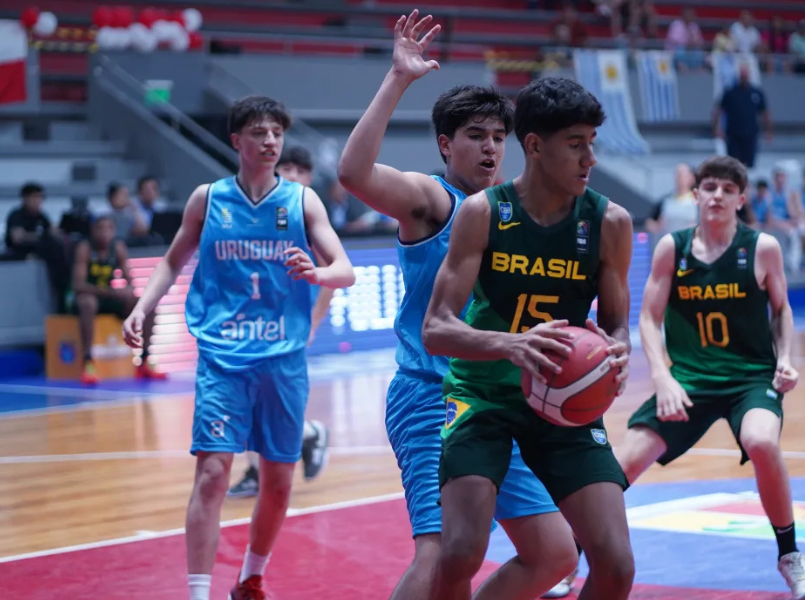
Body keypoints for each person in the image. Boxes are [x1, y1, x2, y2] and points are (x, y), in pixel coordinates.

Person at [337, 12, 579, 600]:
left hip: (496, 404)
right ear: (447, 145)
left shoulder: (512, 214)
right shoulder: (433, 201)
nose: (491, 147)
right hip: (432, 399)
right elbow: (353, 173)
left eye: (499, 137)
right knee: (443, 550)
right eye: (476, 135)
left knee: (555, 553)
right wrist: (397, 79)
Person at [121, 95, 356, 600]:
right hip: (223, 359)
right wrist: (143, 306)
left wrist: (319, 271)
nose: (270, 141)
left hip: (282, 360)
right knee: (212, 475)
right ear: (237, 140)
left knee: (278, 484)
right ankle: (199, 594)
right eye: (259, 132)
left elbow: (346, 268)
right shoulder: (208, 199)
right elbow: (171, 261)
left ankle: (251, 577)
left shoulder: (301, 201)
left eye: (276, 132)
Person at [422, 76, 635, 600]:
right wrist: (510, 345)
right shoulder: (484, 212)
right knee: (460, 552)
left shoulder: (609, 222)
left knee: (616, 563)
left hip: (564, 403)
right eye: (576, 144)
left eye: (592, 143)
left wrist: (617, 351)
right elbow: (436, 328)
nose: (590, 158)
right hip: (483, 397)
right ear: (535, 146)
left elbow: (615, 324)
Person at [613, 155, 805, 600]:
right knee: (621, 463)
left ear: (741, 199)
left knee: (763, 442)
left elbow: (782, 309)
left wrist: (785, 357)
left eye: (728, 190)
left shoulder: (763, 247)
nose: (717, 196)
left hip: (749, 377)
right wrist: (663, 378)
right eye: (709, 188)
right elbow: (648, 321)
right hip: (689, 377)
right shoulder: (673, 247)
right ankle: (571, 557)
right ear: (695, 195)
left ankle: (790, 556)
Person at [226, 145, 332, 499]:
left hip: (290, 327)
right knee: (250, 402)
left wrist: (313, 324)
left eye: (299, 170)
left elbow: (331, 276)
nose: (290, 174)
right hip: (253, 325)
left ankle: (307, 435)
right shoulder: (258, 210)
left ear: (310, 177)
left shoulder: (307, 213)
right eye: (285, 167)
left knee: (267, 405)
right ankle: (295, 444)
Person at [70, 215, 164, 384]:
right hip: (86, 299)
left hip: (108, 298)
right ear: (93, 231)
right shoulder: (85, 248)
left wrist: (127, 291)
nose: (104, 233)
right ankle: (88, 362)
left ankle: (145, 359)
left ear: (113, 231)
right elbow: (79, 285)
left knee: (147, 304)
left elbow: (130, 281)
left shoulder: (117, 247)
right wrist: (111, 292)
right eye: (100, 228)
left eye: (108, 229)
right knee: (87, 302)